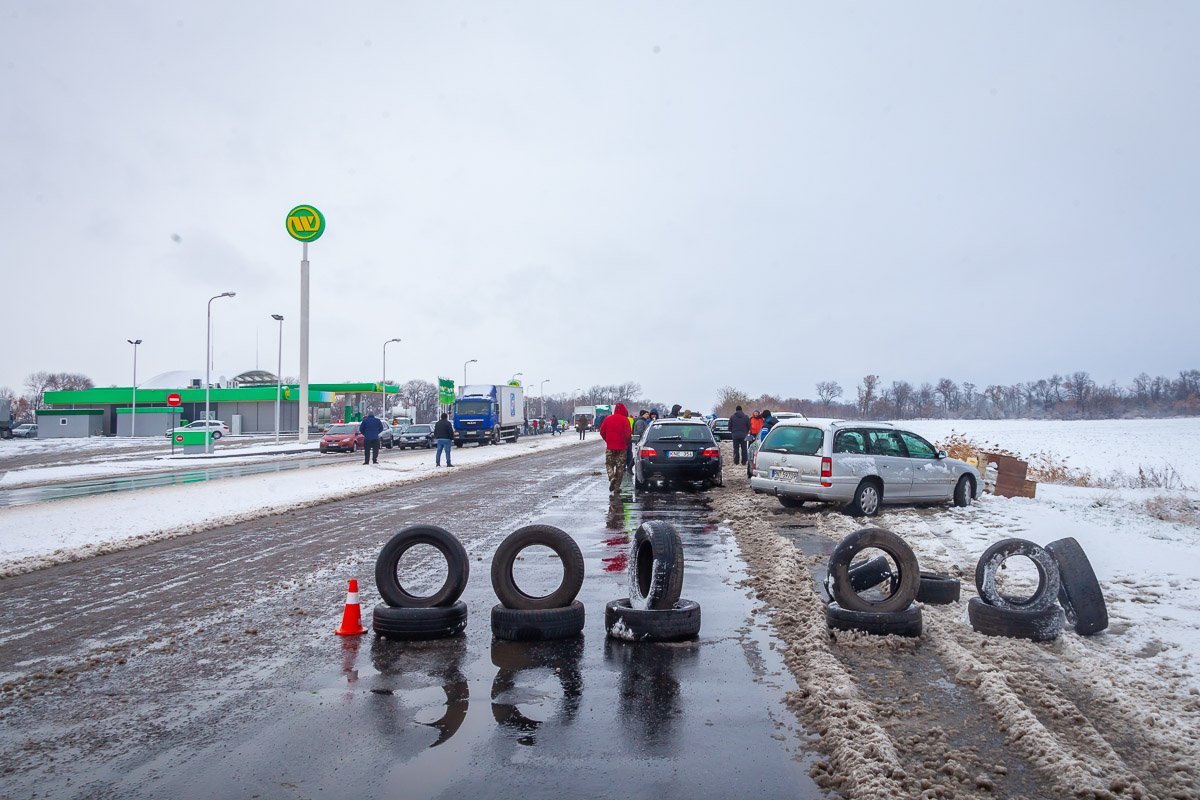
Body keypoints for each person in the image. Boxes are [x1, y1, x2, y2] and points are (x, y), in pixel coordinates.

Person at [598, 402, 632, 495]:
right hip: (621, 448)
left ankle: (611, 477)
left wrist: (608, 440)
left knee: (609, 464)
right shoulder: (625, 420)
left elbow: (602, 431)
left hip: (610, 447)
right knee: (620, 467)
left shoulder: (608, 419)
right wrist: (625, 443)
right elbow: (628, 434)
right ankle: (617, 487)